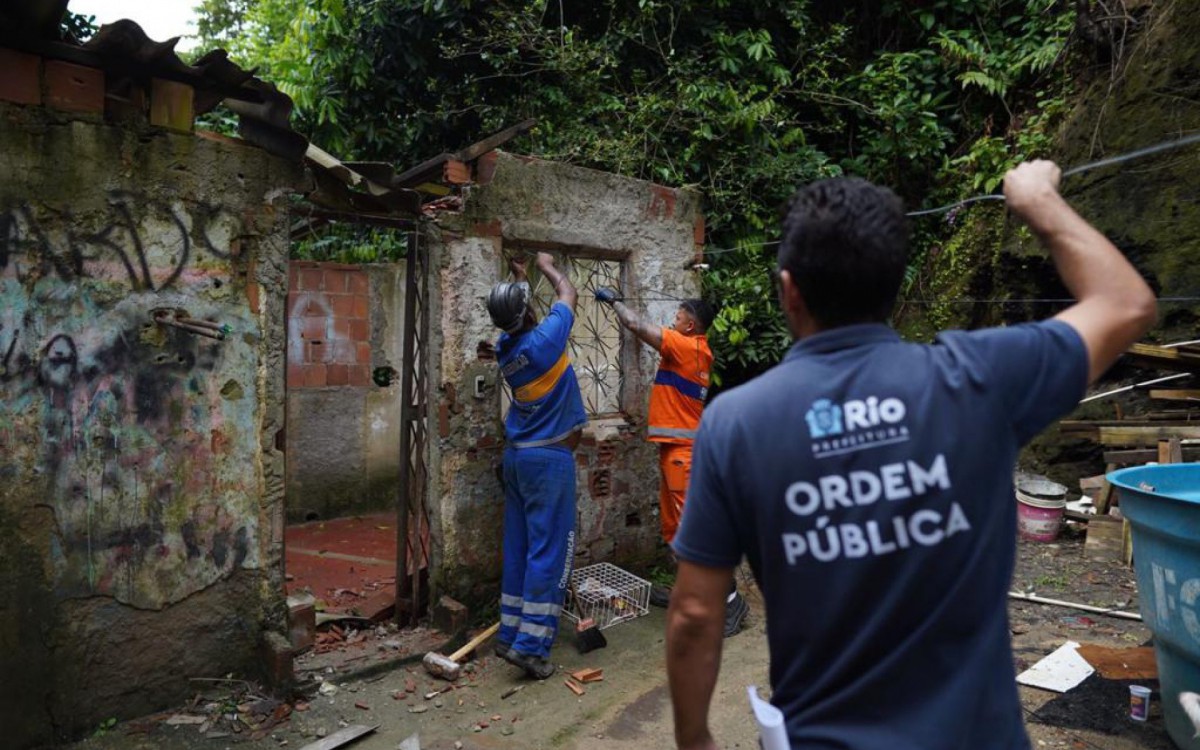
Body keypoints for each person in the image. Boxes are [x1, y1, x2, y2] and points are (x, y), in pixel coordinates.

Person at [666, 160, 1156, 749]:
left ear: (788, 290)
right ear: (894, 284)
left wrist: (694, 738)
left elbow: (695, 614)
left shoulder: (735, 423)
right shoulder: (980, 377)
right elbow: (1126, 304)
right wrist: (1036, 202)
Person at [595, 289, 749, 636]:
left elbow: (635, 325)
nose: (672, 323)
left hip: (684, 454)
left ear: (690, 325)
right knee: (675, 530)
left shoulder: (689, 346)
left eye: (677, 318)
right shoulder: (691, 350)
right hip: (674, 451)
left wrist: (615, 300)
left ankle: (731, 604)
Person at [488, 252, 588, 680]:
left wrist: (520, 278)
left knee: (520, 548)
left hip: (518, 458)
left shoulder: (505, 348)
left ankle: (510, 633)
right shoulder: (545, 341)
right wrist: (547, 266)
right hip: (549, 461)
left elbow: (520, 315)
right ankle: (530, 648)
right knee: (550, 552)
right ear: (529, 312)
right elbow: (569, 292)